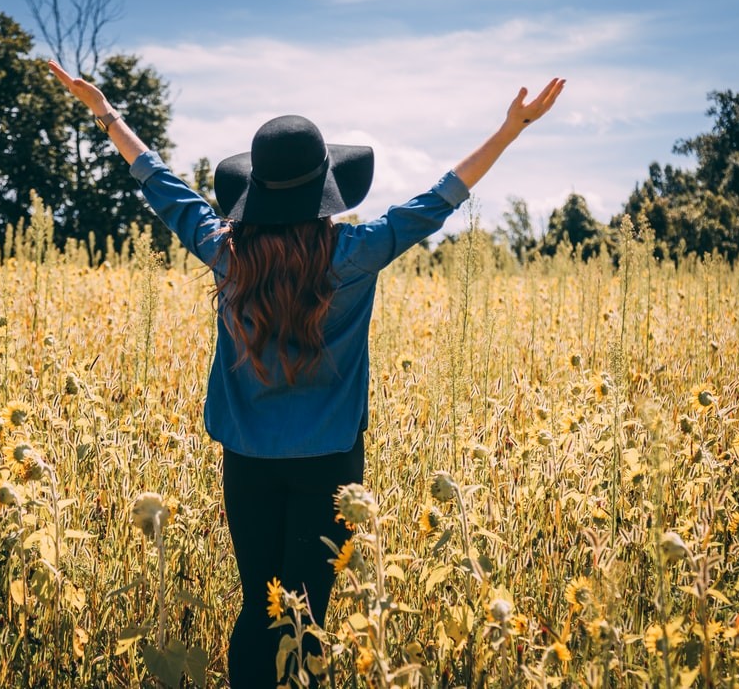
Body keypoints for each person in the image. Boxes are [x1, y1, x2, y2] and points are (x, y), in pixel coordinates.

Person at [49, 59, 563, 687]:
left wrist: (106, 112)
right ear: (326, 192)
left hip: (248, 462)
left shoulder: (225, 252)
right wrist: (513, 128)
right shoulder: (356, 252)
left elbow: (162, 185)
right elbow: (443, 196)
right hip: (331, 467)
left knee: (257, 608)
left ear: (254, 190)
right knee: (304, 614)